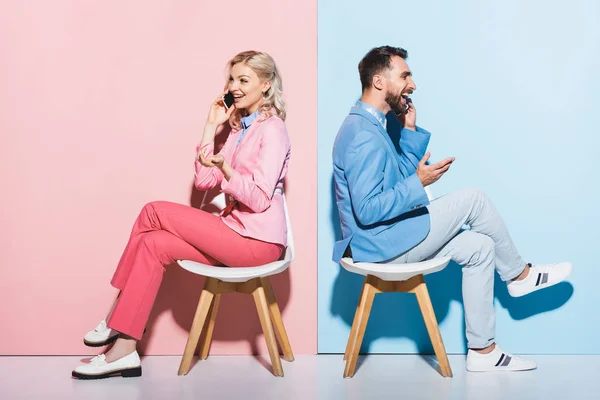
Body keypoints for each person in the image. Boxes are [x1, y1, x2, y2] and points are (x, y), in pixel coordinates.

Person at [331, 45, 572, 372]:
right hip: (379, 245)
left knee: (480, 246)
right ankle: (519, 275)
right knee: (474, 198)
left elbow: (394, 182)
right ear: (378, 81)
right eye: (404, 75)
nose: (412, 84)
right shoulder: (361, 133)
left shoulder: (374, 125)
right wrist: (420, 182)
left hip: (389, 237)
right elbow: (369, 210)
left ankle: (483, 351)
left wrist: (410, 132)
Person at [72, 50, 291, 379]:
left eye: (244, 80)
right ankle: (124, 351)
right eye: (232, 78)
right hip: (233, 233)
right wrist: (210, 126)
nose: (234, 86)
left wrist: (227, 170)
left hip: (257, 242)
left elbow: (259, 200)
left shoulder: (272, 130)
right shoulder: (238, 130)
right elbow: (204, 181)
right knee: (154, 244)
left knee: (152, 211)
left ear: (266, 85)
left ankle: (114, 314)